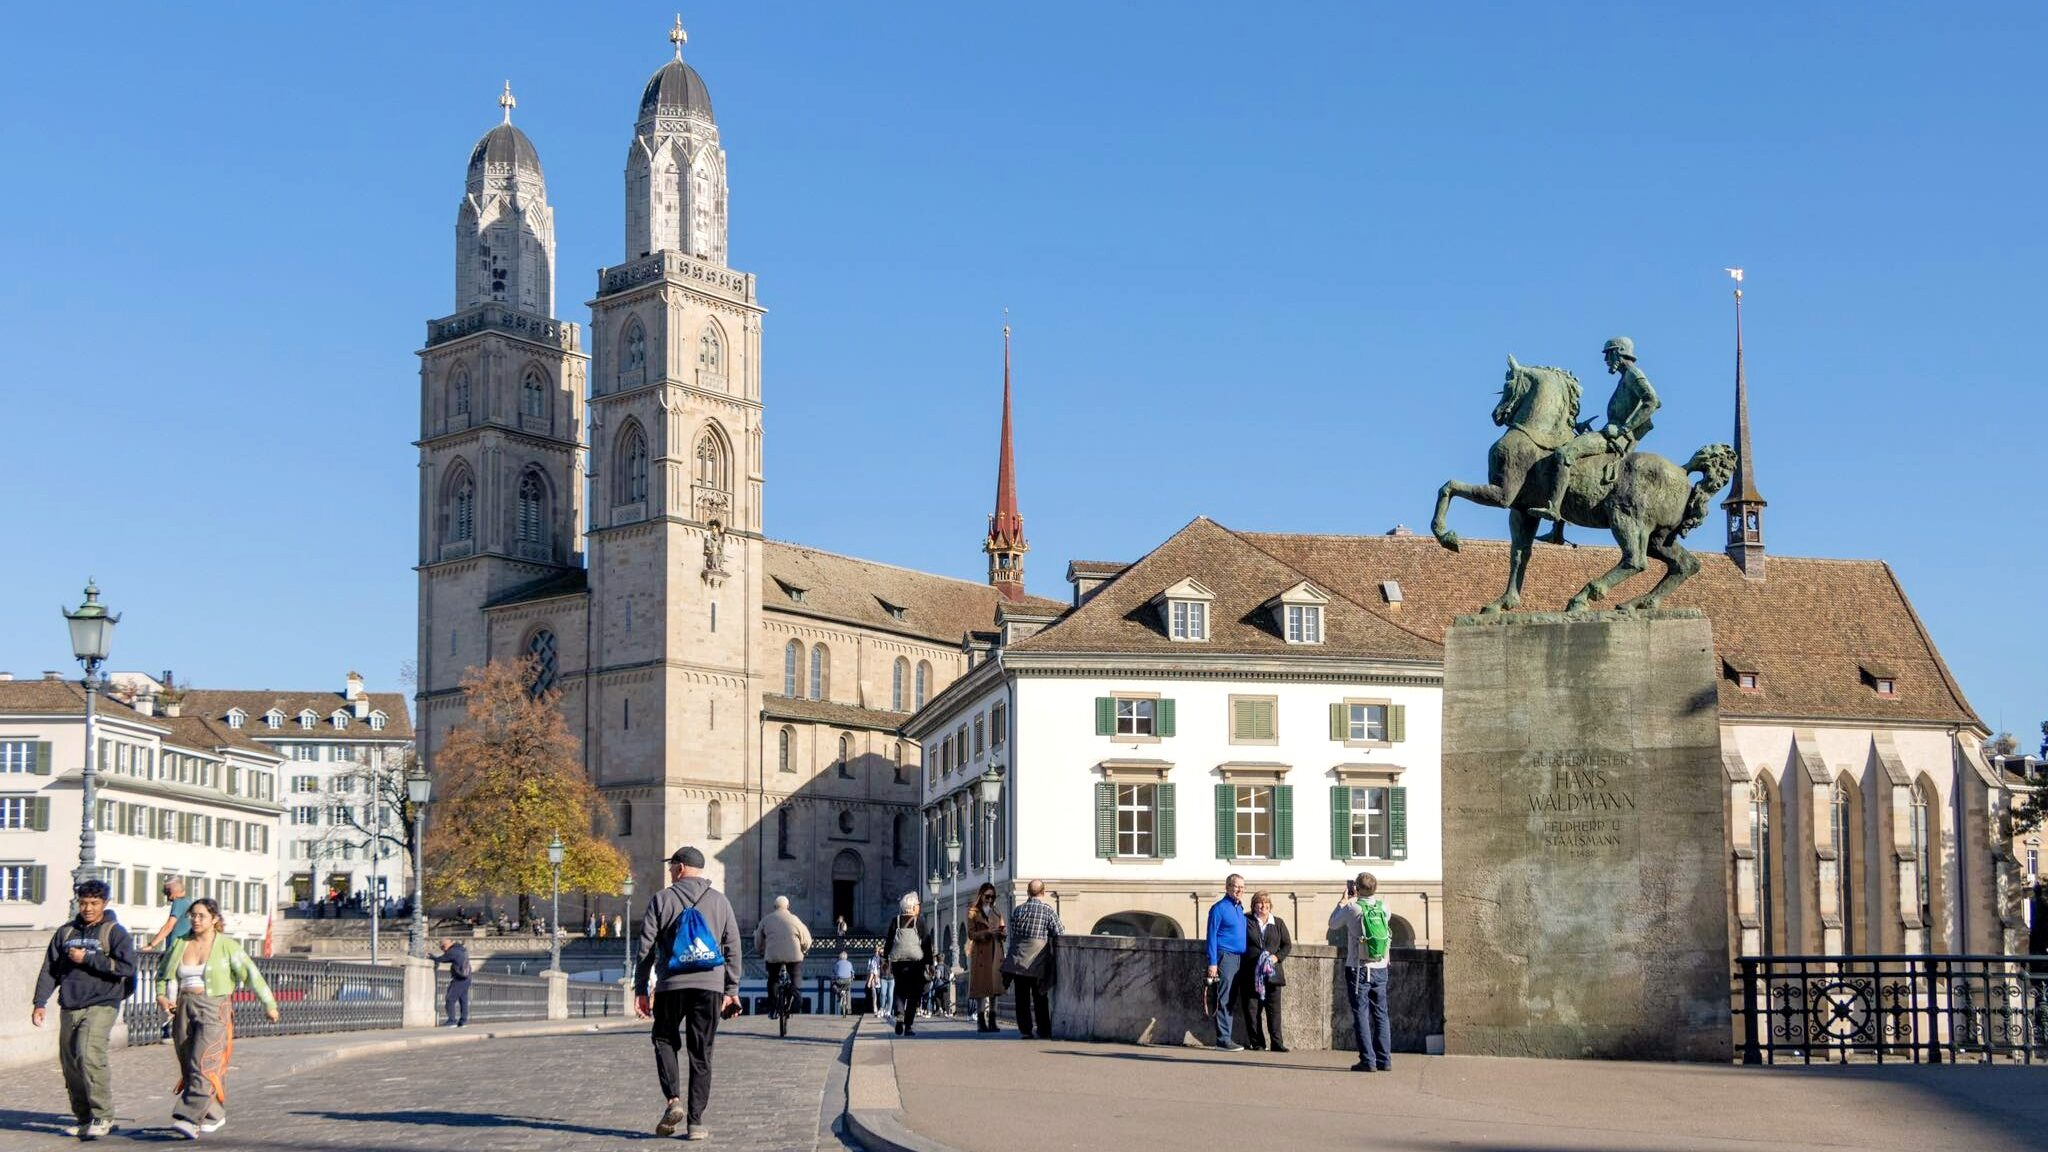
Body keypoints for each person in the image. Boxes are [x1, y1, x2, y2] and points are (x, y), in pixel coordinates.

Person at [635, 846, 743, 1141]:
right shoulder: (720, 902)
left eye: (671, 867)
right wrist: (731, 989)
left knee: (664, 1039)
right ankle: (695, 1123)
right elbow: (733, 947)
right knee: (702, 1052)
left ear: (680, 867)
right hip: (710, 986)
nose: (669, 872)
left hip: (671, 985)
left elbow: (645, 948)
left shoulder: (662, 899)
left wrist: (641, 988)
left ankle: (674, 1101)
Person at [155, 897, 279, 1138]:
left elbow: (252, 974)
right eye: (193, 915)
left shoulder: (227, 946)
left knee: (204, 1061)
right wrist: (162, 996)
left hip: (214, 1006)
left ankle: (189, 1117)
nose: (196, 919)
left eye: (201, 916)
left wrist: (269, 1004)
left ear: (214, 919)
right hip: (184, 1006)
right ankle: (214, 1113)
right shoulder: (180, 943)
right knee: (188, 1062)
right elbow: (162, 975)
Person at [32, 878, 137, 1140]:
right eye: (84, 903)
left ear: (105, 903)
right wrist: (39, 1003)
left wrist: (88, 958)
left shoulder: (114, 932)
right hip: (70, 1004)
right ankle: (84, 1118)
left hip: (102, 1003)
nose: (88, 908)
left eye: (94, 903)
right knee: (70, 1063)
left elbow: (127, 968)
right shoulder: (65, 933)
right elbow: (49, 970)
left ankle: (103, 1116)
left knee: (89, 1055)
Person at [1536, 335, 1660, 529]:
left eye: (1608, 354)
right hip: (1609, 432)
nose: (1605, 360)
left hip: (1615, 439)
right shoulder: (1626, 377)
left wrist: (1623, 428)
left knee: (1563, 454)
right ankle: (1557, 531)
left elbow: (1652, 400)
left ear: (1619, 352)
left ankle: (1554, 509)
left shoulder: (1633, 374)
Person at [1330, 872, 1394, 1072]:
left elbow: (1333, 924)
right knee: (1381, 1014)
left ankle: (1368, 1060)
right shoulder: (1383, 906)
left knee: (1361, 1014)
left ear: (1356, 888)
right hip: (1381, 966)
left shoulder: (1352, 907)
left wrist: (1343, 901)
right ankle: (1385, 1059)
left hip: (1358, 967)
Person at [1003, 880, 1064, 1040]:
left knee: (1021, 999)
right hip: (1038, 962)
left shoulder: (1018, 910)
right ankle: (1043, 1029)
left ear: (1028, 892)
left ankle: (1025, 1030)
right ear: (1043, 892)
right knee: (1040, 998)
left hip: (1019, 962)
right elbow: (1059, 932)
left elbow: (1014, 934)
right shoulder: (1047, 910)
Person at [1239, 891, 1293, 1052]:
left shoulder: (1278, 923)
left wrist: (1277, 957)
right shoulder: (1246, 921)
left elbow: (1287, 945)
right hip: (1251, 972)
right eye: (1259, 903)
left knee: (1274, 1010)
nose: (1263, 906)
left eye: (1266, 903)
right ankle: (1258, 1043)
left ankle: (1277, 1043)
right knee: (1252, 1009)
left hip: (1272, 973)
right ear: (1253, 905)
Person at [1204, 874, 1249, 1051]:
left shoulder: (1239, 908)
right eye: (1236, 886)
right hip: (1225, 957)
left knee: (1231, 998)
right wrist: (1213, 963)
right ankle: (1223, 1040)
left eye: (1242, 887)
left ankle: (1226, 1037)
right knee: (1224, 998)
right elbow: (1211, 937)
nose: (1240, 890)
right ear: (1227, 887)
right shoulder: (1218, 909)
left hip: (1238, 958)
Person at [752, 895, 813, 1019]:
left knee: (773, 979)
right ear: (788, 906)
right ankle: (796, 995)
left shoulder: (766, 920)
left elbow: (758, 938)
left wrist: (760, 950)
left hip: (772, 956)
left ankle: (773, 1008)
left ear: (774, 907)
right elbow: (807, 938)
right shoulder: (795, 919)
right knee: (795, 974)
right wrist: (805, 949)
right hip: (793, 955)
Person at [886, 892, 935, 1036]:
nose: (919, 907)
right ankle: (908, 1026)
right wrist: (930, 963)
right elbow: (926, 943)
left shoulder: (895, 921)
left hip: (898, 962)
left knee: (899, 989)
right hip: (915, 963)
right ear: (912, 907)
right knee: (914, 993)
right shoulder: (919, 922)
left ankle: (899, 1014)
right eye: (917, 905)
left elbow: (889, 941)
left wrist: (884, 958)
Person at [966, 883, 1007, 1032]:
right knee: (981, 989)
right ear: (981, 895)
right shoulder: (973, 912)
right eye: (987, 896)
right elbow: (971, 934)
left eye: (992, 897)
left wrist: (1002, 933)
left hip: (996, 952)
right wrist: (987, 933)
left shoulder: (997, 912)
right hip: (982, 953)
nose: (990, 899)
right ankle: (981, 1021)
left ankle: (993, 1021)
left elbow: (1003, 928)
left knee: (995, 990)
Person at [430, 937, 472, 1026]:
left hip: (459, 979)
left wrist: (432, 957)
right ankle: (463, 1021)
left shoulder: (452, 951)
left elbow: (441, 959)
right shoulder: (461, 949)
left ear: (445, 945)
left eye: (442, 948)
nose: (443, 950)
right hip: (467, 978)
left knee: (450, 999)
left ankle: (452, 1021)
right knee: (463, 1000)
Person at [147, 876, 195, 952]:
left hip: (175, 947)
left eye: (166, 891)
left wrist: (151, 945)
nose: (166, 895)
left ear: (171, 891)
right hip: (185, 946)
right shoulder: (189, 902)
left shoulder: (178, 902)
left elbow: (169, 926)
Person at [872, 944, 893, 1021]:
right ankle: (882, 1008)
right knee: (883, 993)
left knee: (890, 995)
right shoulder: (879, 958)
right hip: (883, 978)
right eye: (881, 951)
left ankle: (888, 1011)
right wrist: (877, 977)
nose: (882, 952)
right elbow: (877, 968)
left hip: (891, 978)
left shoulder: (892, 956)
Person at [831, 951, 854, 1016]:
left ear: (839, 957)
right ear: (846, 957)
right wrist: (852, 978)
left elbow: (834, 973)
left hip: (839, 980)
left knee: (833, 985)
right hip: (847, 981)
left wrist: (833, 979)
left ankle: (839, 993)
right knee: (848, 991)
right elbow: (852, 972)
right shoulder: (849, 963)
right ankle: (849, 1008)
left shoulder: (837, 963)